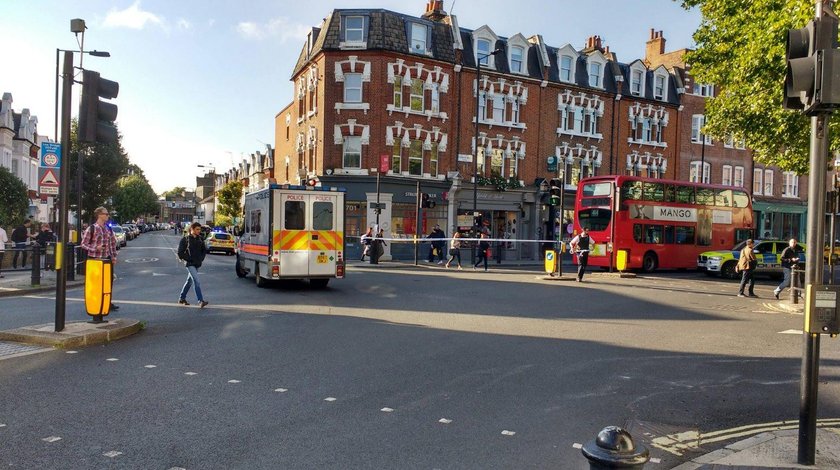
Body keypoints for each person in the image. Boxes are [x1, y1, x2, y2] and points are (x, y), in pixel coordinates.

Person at [80, 207, 120, 310]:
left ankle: (107, 302)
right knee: (95, 283)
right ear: (99, 215)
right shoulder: (92, 228)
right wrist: (95, 248)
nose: (108, 216)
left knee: (108, 282)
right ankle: (95, 303)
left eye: (107, 214)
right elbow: (83, 244)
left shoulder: (108, 229)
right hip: (94, 260)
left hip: (107, 259)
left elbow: (112, 244)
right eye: (106, 214)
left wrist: (114, 256)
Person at [177, 222, 209, 308]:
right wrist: (189, 259)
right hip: (189, 264)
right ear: (192, 229)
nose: (199, 231)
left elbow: (204, 251)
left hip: (197, 264)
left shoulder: (200, 239)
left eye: (200, 229)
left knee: (189, 281)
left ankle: (182, 298)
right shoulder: (185, 239)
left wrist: (201, 259)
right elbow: (180, 253)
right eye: (197, 229)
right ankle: (200, 301)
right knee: (196, 281)